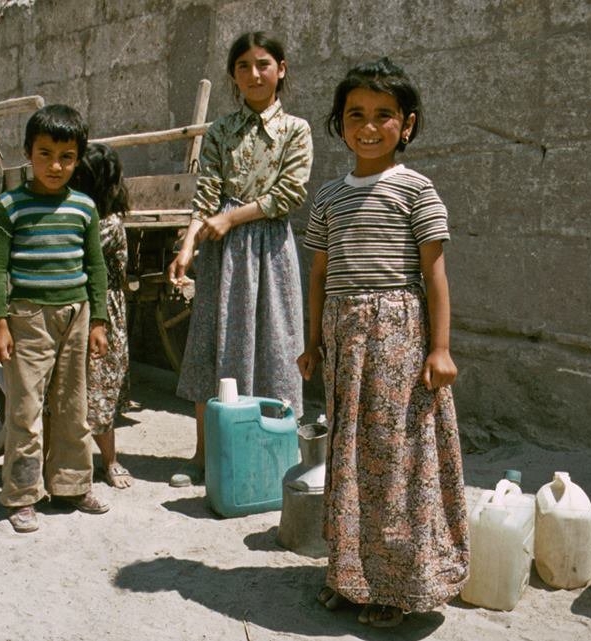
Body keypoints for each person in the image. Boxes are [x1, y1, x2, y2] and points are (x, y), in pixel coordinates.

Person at [296, 58, 469, 627]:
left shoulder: (416, 190)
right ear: (338, 123)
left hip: (398, 336)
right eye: (355, 115)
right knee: (350, 457)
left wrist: (439, 349)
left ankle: (400, 585)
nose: (368, 127)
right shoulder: (326, 198)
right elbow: (319, 276)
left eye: (383, 116)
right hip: (346, 342)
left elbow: (435, 274)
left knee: (397, 459)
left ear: (408, 124)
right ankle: (352, 577)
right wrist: (313, 342)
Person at [167, 31, 313, 488]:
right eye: (244, 66)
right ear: (233, 74)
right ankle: (205, 456)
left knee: (276, 345)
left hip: (269, 250)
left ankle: (275, 455)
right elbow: (206, 195)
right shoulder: (220, 132)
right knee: (213, 345)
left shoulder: (296, 130)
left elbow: (289, 193)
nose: (254, 74)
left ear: (281, 69)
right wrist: (188, 246)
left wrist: (232, 220)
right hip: (222, 255)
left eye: (263, 64)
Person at [0, 104, 111, 534]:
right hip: (28, 319)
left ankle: (72, 487)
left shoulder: (84, 209)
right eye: (44, 154)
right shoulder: (8, 207)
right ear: (28, 153)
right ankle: (22, 495)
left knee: (74, 408)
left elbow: (96, 268)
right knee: (25, 410)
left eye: (67, 157)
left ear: (78, 158)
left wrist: (98, 321)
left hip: (75, 317)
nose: (55, 166)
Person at [69, 142, 134, 490]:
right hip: (77, 306)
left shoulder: (107, 224)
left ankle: (109, 461)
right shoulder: (91, 219)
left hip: (102, 311)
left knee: (100, 388)